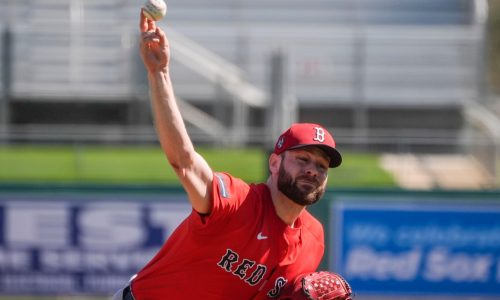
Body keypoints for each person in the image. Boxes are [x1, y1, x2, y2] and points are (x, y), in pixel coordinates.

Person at [112, 9, 342, 300]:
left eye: (322, 166)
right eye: (302, 159)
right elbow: (184, 162)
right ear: (274, 162)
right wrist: (159, 74)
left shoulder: (313, 239)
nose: (313, 170)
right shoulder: (236, 201)